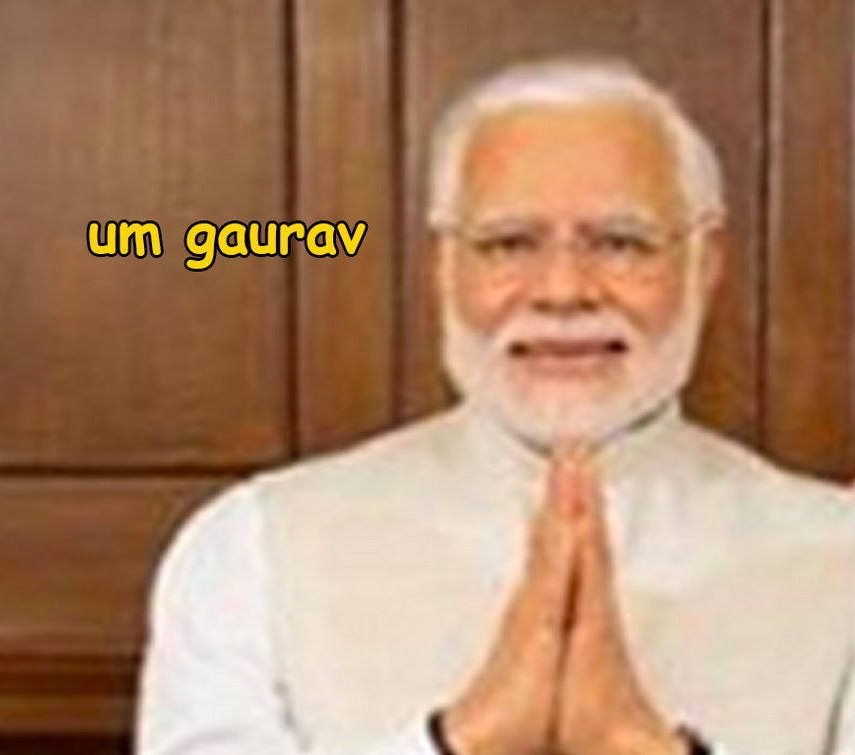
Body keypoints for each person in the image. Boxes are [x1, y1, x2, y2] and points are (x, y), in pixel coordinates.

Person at [134, 59, 855, 755]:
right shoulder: (251, 548)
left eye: (621, 243)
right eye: (509, 244)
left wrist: (634, 746)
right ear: (443, 268)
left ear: (706, 263)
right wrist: (464, 738)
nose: (564, 290)